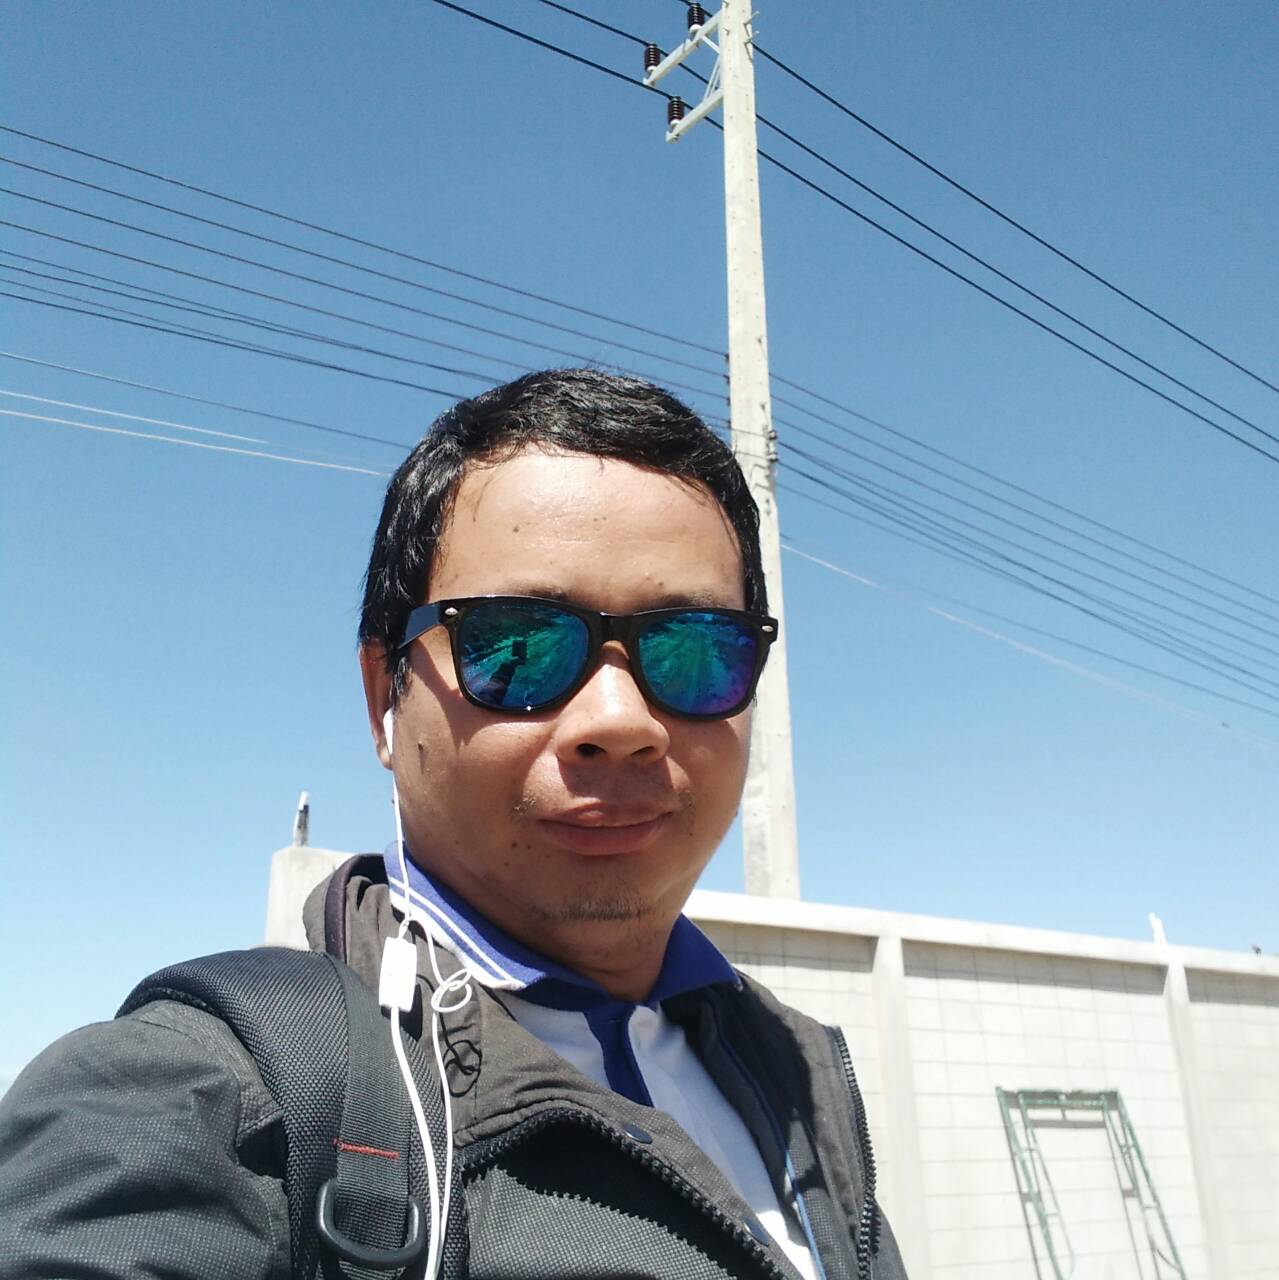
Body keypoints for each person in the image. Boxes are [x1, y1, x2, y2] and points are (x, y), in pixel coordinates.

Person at [0, 369, 906, 1279]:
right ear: (383, 699)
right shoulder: (205, 1101)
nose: (621, 720)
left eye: (694, 648)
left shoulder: (798, 1072)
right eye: (517, 646)